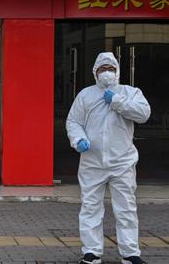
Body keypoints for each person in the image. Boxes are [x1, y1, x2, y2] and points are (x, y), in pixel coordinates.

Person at [66, 52, 151, 264]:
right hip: (92, 161)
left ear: (117, 71)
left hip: (122, 162)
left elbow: (144, 114)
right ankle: (91, 252)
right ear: (95, 72)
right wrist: (78, 139)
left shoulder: (130, 93)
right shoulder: (86, 95)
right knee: (90, 207)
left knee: (126, 208)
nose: (106, 73)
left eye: (110, 69)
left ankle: (130, 253)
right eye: (102, 69)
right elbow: (73, 121)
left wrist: (117, 101)